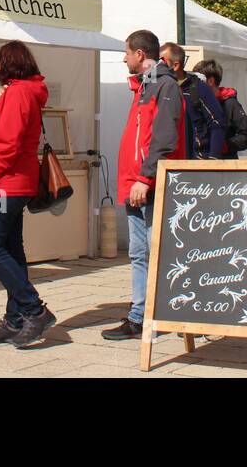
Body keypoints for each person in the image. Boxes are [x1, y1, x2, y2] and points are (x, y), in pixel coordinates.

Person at [0, 41, 57, 347]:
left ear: (9, 63)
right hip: (6, 183)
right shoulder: (12, 92)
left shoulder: (20, 93)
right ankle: (15, 318)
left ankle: (34, 309)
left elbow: (9, 140)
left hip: (5, 185)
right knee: (10, 249)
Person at [103, 29, 186, 341]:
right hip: (137, 184)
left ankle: (150, 315)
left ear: (140, 54)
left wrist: (144, 178)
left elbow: (163, 138)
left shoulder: (163, 86)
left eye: (127, 52)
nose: (124, 57)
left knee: (153, 251)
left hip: (147, 185)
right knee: (142, 252)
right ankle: (144, 313)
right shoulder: (146, 87)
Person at [160, 42, 226, 159]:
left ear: (175, 65)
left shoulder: (198, 88)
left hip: (195, 162)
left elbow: (217, 123)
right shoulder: (158, 89)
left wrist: (213, 159)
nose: (158, 66)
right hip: (166, 162)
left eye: (162, 62)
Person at [195, 59, 247, 157]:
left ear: (210, 81)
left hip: (225, 165)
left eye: (198, 80)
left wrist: (224, 145)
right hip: (200, 162)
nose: (195, 84)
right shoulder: (197, 102)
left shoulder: (230, 103)